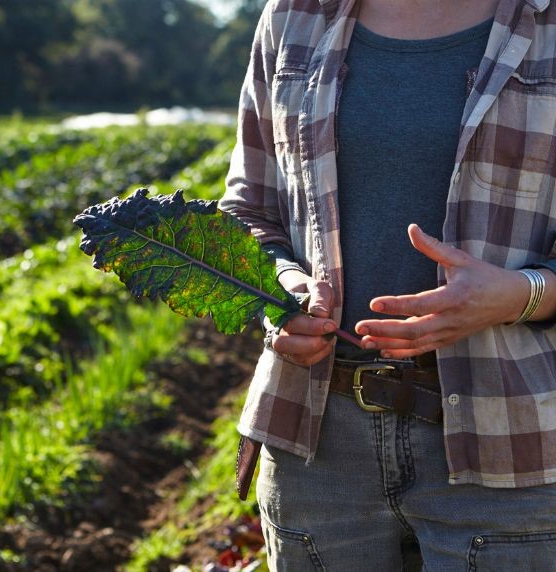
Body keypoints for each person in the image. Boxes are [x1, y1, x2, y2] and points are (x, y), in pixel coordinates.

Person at [220, 0, 556, 569]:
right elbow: (248, 211)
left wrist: (519, 295)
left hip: (510, 445)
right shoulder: (296, 15)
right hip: (317, 448)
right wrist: (281, 293)